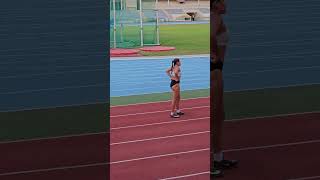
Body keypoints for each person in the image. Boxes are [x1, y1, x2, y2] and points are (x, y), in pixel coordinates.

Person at [210, 0, 238, 177]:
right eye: (223, 1)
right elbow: (208, 36)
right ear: (215, 4)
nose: (226, 4)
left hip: (216, 71)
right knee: (212, 117)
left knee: (218, 116)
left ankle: (218, 158)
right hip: (212, 71)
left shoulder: (216, 18)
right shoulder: (214, 18)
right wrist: (213, 58)